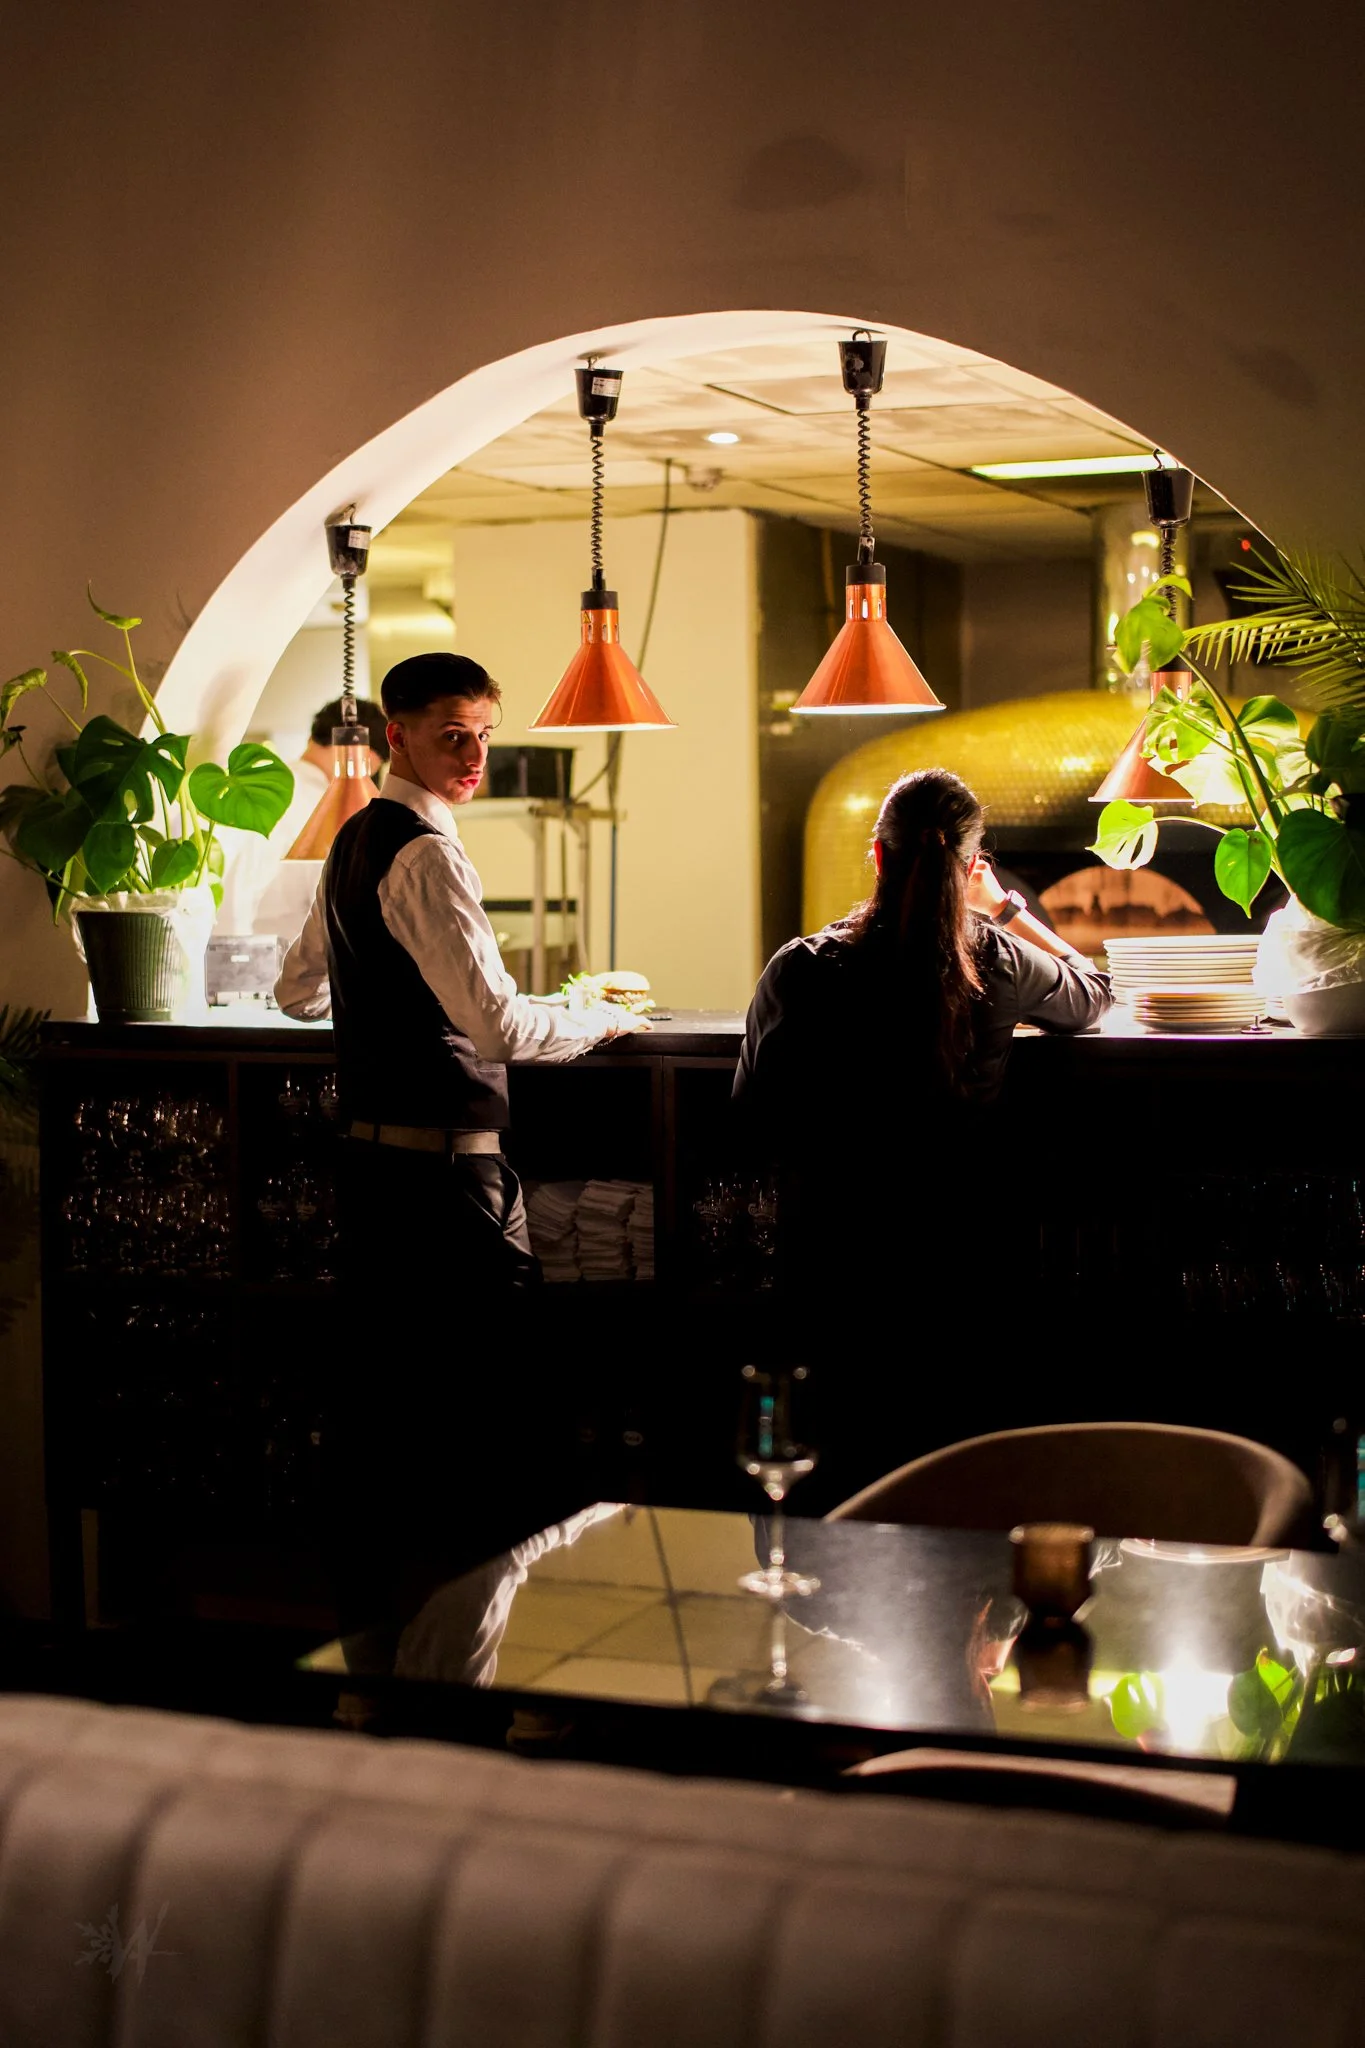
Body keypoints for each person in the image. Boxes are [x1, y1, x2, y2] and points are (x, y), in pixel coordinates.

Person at [275, 652, 639, 1595]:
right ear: (397, 736)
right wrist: (598, 1021)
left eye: (483, 735)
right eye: (452, 736)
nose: (474, 756)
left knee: (385, 1421)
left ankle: (383, 1655)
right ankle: (483, 1656)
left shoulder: (354, 838)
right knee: (496, 1422)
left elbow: (295, 992)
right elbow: (497, 1030)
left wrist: (389, 996)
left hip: (371, 1176)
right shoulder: (427, 852)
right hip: (447, 1183)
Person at [734, 768, 1111, 1495]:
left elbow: (753, 1116)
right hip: (964, 1272)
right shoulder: (998, 958)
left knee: (836, 1490)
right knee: (951, 1486)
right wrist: (1004, 908)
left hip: (833, 1272)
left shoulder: (801, 968)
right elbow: (1094, 993)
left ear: (877, 855)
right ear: (970, 870)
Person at [215, 696, 389, 934]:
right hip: (274, 942)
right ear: (361, 755)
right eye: (371, 769)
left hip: (233, 935)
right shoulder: (319, 804)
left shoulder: (269, 785)